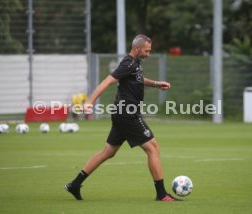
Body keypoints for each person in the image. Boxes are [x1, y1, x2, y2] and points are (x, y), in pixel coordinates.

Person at [65, 34, 180, 202]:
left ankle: (75, 184)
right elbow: (107, 81)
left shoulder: (135, 64)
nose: (148, 54)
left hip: (122, 113)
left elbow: (138, 79)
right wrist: (89, 102)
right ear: (137, 48)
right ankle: (162, 194)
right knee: (153, 147)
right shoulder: (128, 63)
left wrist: (156, 83)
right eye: (147, 51)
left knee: (108, 152)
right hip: (127, 114)